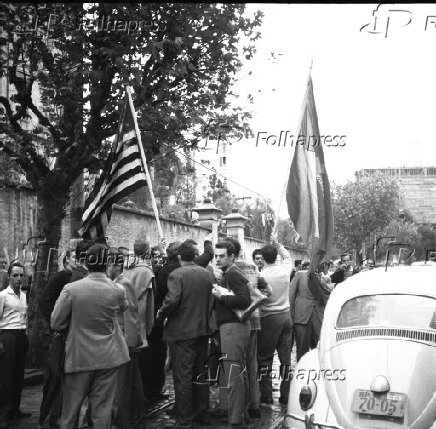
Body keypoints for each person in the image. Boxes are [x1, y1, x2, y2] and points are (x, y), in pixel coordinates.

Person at [51, 243, 129, 429]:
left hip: (79, 356)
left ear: (86, 262)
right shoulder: (118, 290)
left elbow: (56, 322)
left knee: (71, 410)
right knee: (102, 410)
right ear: (107, 262)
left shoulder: (72, 289)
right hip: (109, 355)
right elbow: (123, 307)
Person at [157, 241, 214, 428]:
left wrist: (161, 313)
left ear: (180, 257)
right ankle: (202, 412)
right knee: (200, 374)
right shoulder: (207, 273)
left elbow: (172, 300)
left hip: (181, 332)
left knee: (183, 377)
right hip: (202, 330)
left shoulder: (176, 274)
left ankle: (185, 418)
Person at [224, 237, 271, 419]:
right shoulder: (253, 268)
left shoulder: (228, 271)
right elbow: (268, 291)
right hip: (254, 319)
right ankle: (255, 405)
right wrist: (255, 301)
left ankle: (237, 410)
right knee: (252, 365)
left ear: (230, 254)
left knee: (236, 366)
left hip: (237, 321)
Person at [212, 241, 251, 429]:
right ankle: (241, 414)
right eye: (216, 256)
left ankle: (235, 420)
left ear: (232, 257)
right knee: (237, 373)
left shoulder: (234, 274)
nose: (218, 259)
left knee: (233, 375)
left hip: (234, 328)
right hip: (231, 328)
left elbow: (244, 300)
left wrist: (221, 297)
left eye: (222, 256)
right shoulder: (229, 273)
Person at [107, 249, 144, 429]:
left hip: (124, 341)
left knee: (123, 385)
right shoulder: (114, 283)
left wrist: (130, 343)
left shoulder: (124, 284)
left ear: (116, 266)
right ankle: (136, 417)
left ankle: (123, 420)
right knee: (132, 383)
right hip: (121, 340)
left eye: (108, 264)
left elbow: (130, 316)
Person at [257, 237, 293, 405]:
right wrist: (278, 243)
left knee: (264, 359)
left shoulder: (261, 275)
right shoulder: (285, 271)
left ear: (262, 259)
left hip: (269, 318)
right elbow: (288, 257)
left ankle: (266, 395)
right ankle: (286, 395)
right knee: (285, 359)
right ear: (276, 256)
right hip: (286, 316)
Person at [124, 239, 156, 403]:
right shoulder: (146, 271)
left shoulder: (125, 267)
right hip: (138, 320)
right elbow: (146, 303)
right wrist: (145, 329)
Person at [0, 263, 32, 429]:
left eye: (21, 275)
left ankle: (15, 409)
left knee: (19, 374)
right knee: (7, 375)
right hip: (8, 336)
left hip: (21, 336)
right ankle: (3, 412)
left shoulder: (24, 295)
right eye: (15, 275)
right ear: (9, 277)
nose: (19, 278)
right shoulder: (3, 296)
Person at [289, 267, 328, 362]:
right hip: (302, 314)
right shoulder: (300, 275)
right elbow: (291, 294)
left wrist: (321, 281)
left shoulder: (322, 278)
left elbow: (326, 295)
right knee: (302, 346)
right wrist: (291, 314)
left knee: (320, 346)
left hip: (318, 315)